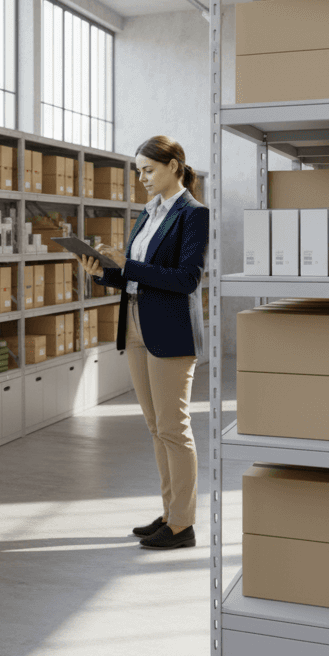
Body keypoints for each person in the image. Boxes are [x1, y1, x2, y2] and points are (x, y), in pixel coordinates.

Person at [77, 135, 208, 550]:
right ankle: (170, 513)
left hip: (170, 328)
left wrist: (128, 264)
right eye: (138, 171)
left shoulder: (194, 214)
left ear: (174, 166)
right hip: (135, 323)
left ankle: (183, 525)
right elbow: (134, 276)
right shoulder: (148, 213)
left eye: (148, 170)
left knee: (174, 428)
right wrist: (103, 271)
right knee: (156, 427)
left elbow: (188, 279)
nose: (142, 178)